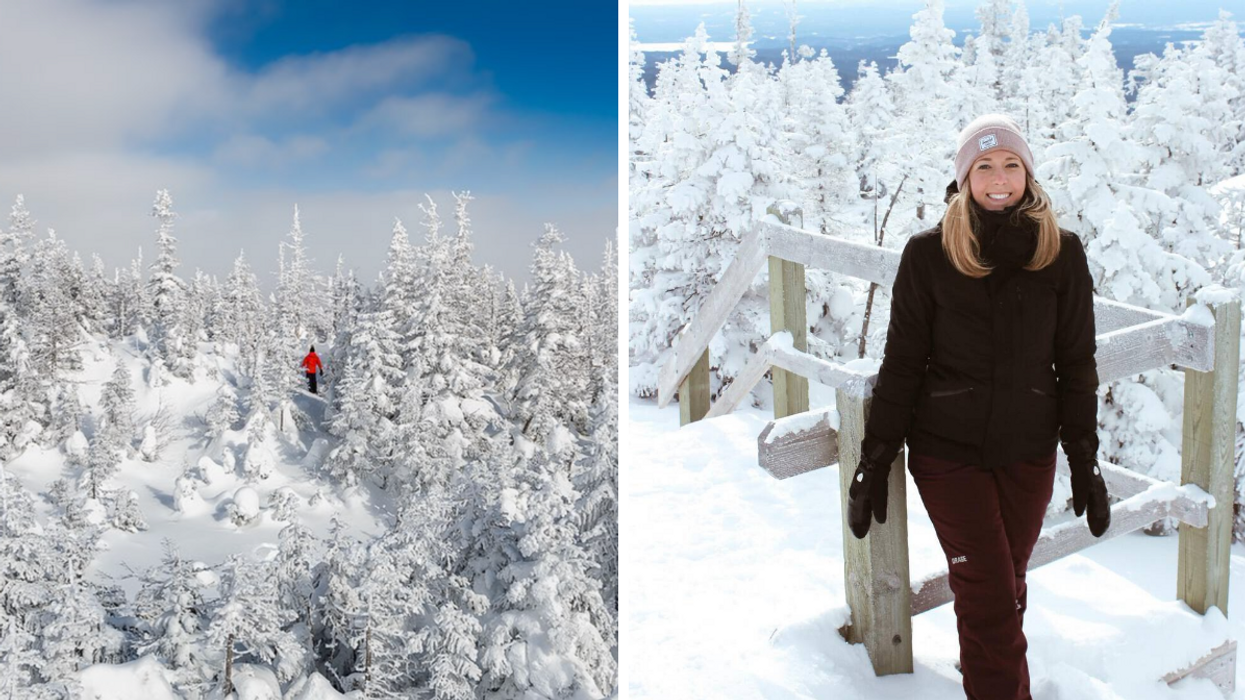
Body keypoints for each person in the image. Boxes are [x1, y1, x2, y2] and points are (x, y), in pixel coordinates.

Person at [845, 114, 1111, 700]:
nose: (999, 178)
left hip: (1028, 453)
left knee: (1006, 587)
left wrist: (1084, 459)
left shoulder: (1061, 255)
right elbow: (903, 364)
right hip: (949, 456)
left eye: (1011, 164)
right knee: (990, 595)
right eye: (984, 166)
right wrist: (876, 455)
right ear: (964, 177)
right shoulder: (929, 255)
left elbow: (1077, 364)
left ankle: (983, 676)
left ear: (1028, 174)